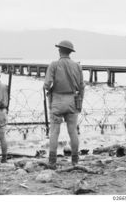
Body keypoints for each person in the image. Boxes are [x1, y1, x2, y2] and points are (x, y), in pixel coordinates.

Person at [43, 40, 85, 169]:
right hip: (72, 100)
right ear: (70, 52)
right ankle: (75, 160)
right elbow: (82, 86)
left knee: (54, 132)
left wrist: (48, 87)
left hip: (57, 100)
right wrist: (80, 102)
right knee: (73, 131)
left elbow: (47, 85)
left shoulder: (54, 65)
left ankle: (52, 161)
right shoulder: (77, 66)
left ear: (59, 50)